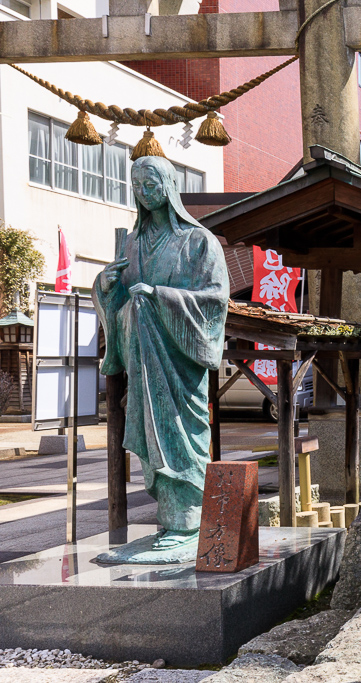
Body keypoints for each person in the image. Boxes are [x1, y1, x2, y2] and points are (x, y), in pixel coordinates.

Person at [93, 154, 229, 559]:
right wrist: (106, 287)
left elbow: (215, 300)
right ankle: (170, 524)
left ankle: (187, 525)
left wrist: (160, 298)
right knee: (152, 441)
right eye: (137, 186)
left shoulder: (199, 241)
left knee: (179, 436)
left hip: (178, 365)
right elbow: (117, 302)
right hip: (143, 363)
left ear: (169, 186)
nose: (144, 192)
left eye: (151, 184)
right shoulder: (130, 242)